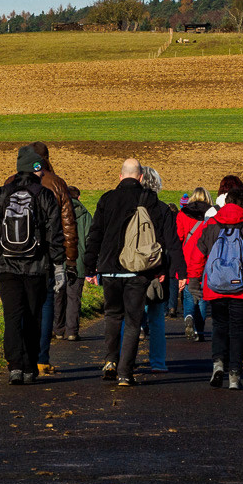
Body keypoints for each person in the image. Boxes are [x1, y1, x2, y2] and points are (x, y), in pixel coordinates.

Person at [83, 158, 182, 387]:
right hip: (137, 271)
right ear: (140, 177)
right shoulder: (151, 201)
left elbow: (95, 234)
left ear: (120, 176)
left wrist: (89, 266)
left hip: (109, 270)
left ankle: (110, 360)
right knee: (132, 321)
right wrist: (166, 269)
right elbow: (163, 239)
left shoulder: (106, 199)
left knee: (112, 315)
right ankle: (125, 373)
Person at [0, 146, 67, 384]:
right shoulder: (45, 196)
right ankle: (30, 368)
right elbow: (55, 234)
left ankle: (14, 367)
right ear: (36, 169)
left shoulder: (1, 194)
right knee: (33, 317)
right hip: (36, 268)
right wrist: (58, 266)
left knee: (12, 318)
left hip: (7, 267)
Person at [185, 174, 243, 390]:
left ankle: (218, 364)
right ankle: (234, 375)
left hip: (215, 287)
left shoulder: (211, 224)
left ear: (225, 202)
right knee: (237, 329)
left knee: (218, 325)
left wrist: (194, 282)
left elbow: (197, 255)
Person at [1, 141, 77, 375]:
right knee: (42, 308)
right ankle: (39, 359)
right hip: (40, 259)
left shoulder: (7, 185)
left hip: (10, 258)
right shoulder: (55, 185)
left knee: (15, 310)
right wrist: (68, 259)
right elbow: (66, 224)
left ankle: (16, 360)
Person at [137, 165, 180, 373]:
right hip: (156, 269)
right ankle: (158, 362)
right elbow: (172, 243)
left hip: (132, 268)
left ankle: (123, 361)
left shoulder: (131, 208)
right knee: (156, 319)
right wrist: (177, 271)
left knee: (129, 318)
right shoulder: (163, 210)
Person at [175, 186, 211, 341]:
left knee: (189, 296)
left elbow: (178, 238)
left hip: (187, 259)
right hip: (206, 259)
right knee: (202, 297)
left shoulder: (183, 214)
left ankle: (188, 316)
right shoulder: (212, 214)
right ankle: (199, 331)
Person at [61, 184, 91, 341]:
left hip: (60, 260)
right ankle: (72, 331)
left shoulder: (59, 211)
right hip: (78, 261)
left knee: (58, 295)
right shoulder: (85, 214)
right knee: (74, 297)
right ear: (79, 197)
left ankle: (58, 329)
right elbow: (89, 239)